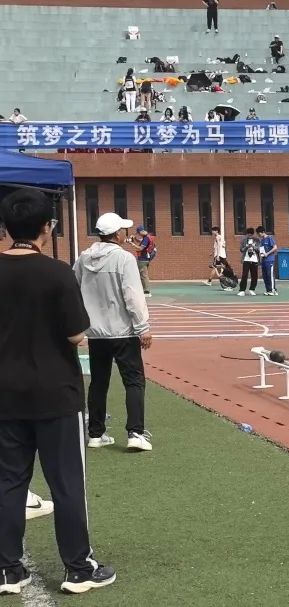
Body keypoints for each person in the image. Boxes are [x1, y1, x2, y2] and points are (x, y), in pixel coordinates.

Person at [0, 189, 117, 595]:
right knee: (66, 483)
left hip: (5, 394)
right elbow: (75, 334)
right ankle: (78, 568)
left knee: (8, 481)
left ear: (5, 227)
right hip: (56, 394)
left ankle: (7, 569)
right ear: (47, 228)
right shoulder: (56, 273)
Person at [74, 212, 154, 452]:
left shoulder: (83, 258)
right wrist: (143, 327)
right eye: (122, 230)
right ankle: (135, 433)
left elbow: (74, 288)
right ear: (117, 234)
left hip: (96, 333)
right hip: (123, 332)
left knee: (98, 382)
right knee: (134, 381)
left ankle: (95, 434)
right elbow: (132, 295)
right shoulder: (124, 259)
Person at [126, 225, 155, 298]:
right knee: (143, 275)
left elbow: (140, 248)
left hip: (143, 259)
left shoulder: (146, 238)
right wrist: (135, 239)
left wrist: (132, 244)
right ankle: (144, 290)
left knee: (143, 275)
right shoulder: (147, 237)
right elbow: (141, 242)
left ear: (141, 232)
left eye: (138, 233)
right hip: (145, 259)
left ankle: (146, 291)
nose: (138, 234)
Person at [237, 227, 260, 296]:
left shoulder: (257, 240)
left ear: (253, 234)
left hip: (254, 259)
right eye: (248, 235)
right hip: (246, 259)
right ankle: (242, 290)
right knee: (244, 275)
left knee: (254, 275)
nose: (249, 236)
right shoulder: (244, 240)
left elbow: (259, 249)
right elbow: (241, 250)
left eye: (251, 235)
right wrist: (246, 247)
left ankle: (252, 289)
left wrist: (253, 247)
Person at [256, 226, 278, 296]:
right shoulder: (262, 240)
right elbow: (262, 250)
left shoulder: (269, 238)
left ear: (263, 232)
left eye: (259, 233)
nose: (258, 235)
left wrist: (267, 253)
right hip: (264, 260)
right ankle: (268, 290)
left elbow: (275, 247)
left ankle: (273, 290)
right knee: (265, 276)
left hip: (270, 260)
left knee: (270, 275)